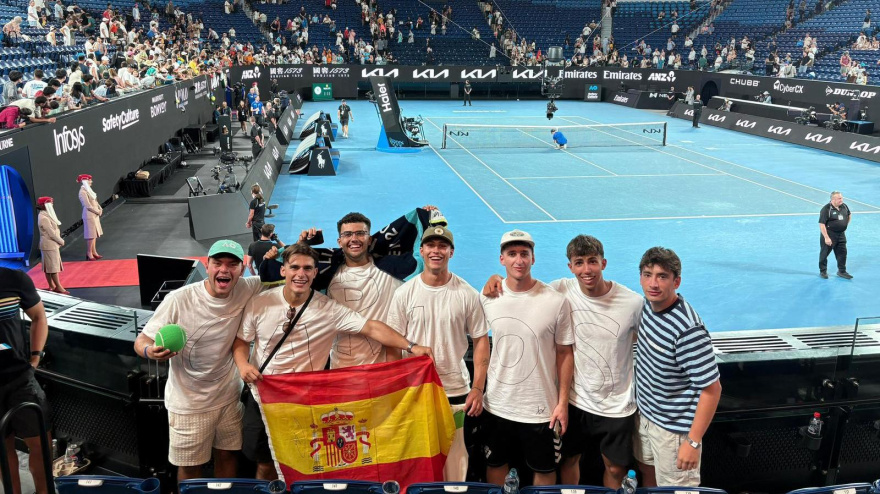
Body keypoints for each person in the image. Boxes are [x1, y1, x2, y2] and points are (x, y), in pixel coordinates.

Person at [233, 242, 434, 480]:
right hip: (264, 396)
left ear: (316, 273)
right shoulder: (260, 303)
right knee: (265, 463)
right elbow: (241, 341)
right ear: (283, 270)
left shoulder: (328, 309)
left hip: (305, 402)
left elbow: (371, 327)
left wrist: (411, 347)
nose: (301, 274)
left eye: (308, 268)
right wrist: (243, 365)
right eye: (295, 267)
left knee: (307, 462)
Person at [482, 234, 643, 487]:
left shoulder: (632, 303)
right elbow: (523, 286)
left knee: (614, 468)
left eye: (592, 262)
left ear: (604, 263)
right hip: (574, 401)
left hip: (614, 405)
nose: (586, 270)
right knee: (568, 461)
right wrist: (494, 279)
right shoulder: (560, 289)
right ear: (571, 267)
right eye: (579, 263)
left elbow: (644, 338)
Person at [134, 240, 264, 484]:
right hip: (188, 404)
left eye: (232, 264)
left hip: (228, 398)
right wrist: (150, 351)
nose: (224, 270)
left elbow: (290, 273)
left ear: (243, 269)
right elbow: (141, 340)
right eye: (218, 263)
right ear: (207, 266)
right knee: (191, 467)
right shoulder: (178, 299)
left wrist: (296, 245)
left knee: (228, 455)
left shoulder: (247, 288)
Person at [387, 225, 490, 481]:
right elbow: (392, 344)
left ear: (451, 252)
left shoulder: (467, 294)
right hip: (417, 392)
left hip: (455, 393)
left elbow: (481, 341)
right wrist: (397, 388)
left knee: (455, 458)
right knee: (418, 455)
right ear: (421, 251)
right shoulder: (403, 294)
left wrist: (477, 387)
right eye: (431, 246)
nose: (436, 251)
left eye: (442, 246)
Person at [479, 230, 574, 486]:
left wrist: (562, 402)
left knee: (544, 470)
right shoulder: (488, 297)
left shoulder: (556, 301)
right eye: (512, 254)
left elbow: (565, 353)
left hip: (541, 408)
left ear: (533, 258)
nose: (518, 260)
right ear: (502, 259)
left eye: (524, 254)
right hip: (497, 404)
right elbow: (479, 344)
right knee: (495, 464)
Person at [634, 247, 721, 487]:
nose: (653, 283)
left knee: (675, 490)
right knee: (647, 475)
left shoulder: (688, 331)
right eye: (648, 274)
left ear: (677, 281)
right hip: (646, 417)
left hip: (673, 433)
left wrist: (692, 442)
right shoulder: (647, 307)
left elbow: (712, 390)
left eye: (662, 276)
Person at [0, 267, 51, 494]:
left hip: (20, 379)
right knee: (3, 450)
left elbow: (39, 317)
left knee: (41, 446)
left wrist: (35, 357)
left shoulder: (14, 279)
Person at [37, 197, 68, 295]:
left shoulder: (45, 215)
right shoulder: (44, 217)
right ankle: (58, 287)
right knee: (53, 267)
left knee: (49, 267)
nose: (52, 204)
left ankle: (51, 285)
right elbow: (51, 233)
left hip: (49, 245)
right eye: (51, 203)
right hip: (49, 245)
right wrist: (61, 241)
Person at [819, 191, 852, 279]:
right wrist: (826, 237)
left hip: (841, 235)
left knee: (842, 253)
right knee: (824, 253)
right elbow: (822, 224)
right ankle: (823, 271)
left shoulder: (844, 206)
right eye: (839, 198)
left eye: (842, 198)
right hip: (829, 235)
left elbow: (849, 215)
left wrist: (844, 226)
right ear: (833, 199)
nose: (842, 200)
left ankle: (842, 271)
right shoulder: (826, 209)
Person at [77, 174, 103, 260]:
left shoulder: (89, 190)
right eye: (89, 180)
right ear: (85, 181)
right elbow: (88, 205)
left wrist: (100, 208)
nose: (91, 181)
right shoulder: (82, 192)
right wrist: (97, 211)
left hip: (94, 214)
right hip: (89, 215)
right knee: (90, 235)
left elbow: (95, 200)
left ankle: (94, 251)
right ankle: (89, 252)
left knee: (94, 234)